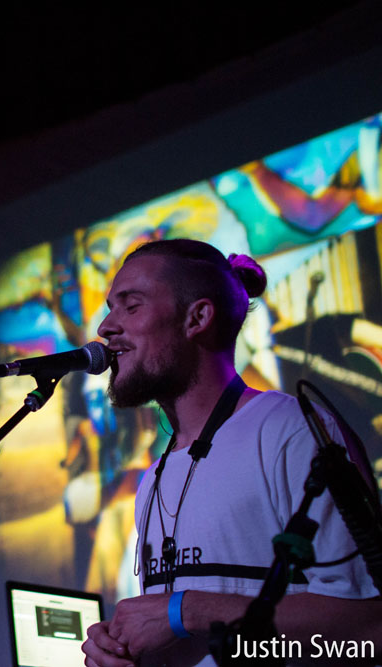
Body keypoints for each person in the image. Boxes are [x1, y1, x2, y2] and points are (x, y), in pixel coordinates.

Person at [81, 239, 381, 667]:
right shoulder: (154, 480)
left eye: (130, 306)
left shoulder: (291, 431)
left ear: (198, 318)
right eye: (110, 308)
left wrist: (187, 611)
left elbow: (370, 631)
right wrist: (123, 648)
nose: (106, 327)